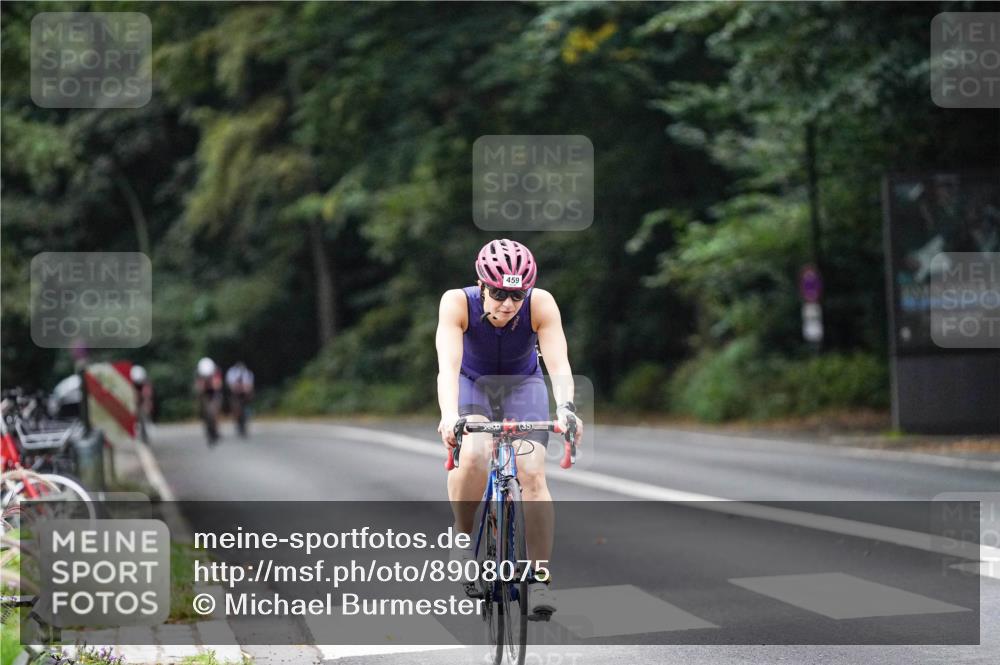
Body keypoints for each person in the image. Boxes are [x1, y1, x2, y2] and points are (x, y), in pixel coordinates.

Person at [436, 238, 583, 618]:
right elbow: (447, 367)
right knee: (473, 455)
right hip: (473, 385)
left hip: (523, 385)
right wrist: (449, 414)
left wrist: (566, 408)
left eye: (516, 295)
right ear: (481, 284)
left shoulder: (541, 303)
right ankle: (465, 537)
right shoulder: (456, 302)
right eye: (499, 292)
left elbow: (559, 363)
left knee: (532, 473)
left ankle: (538, 580)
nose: (507, 303)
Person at [194, 357, 223, 446]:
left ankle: (216, 430)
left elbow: (218, 385)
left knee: (214, 412)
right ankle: (208, 429)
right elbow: (198, 387)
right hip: (204, 395)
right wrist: (201, 387)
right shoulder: (199, 374)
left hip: (214, 394)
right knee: (204, 411)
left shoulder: (215, 372)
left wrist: (213, 385)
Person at [225, 361, 255, 438]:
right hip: (235, 395)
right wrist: (236, 388)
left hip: (245, 395)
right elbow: (230, 384)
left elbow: (249, 385)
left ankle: (246, 422)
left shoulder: (247, 374)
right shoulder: (232, 373)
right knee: (236, 409)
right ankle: (237, 423)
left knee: (246, 409)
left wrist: (246, 389)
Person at [130, 364, 155, 443]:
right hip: (135, 399)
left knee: (144, 414)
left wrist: (147, 406)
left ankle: (144, 431)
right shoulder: (131, 383)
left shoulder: (146, 383)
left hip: (143, 400)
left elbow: (147, 396)